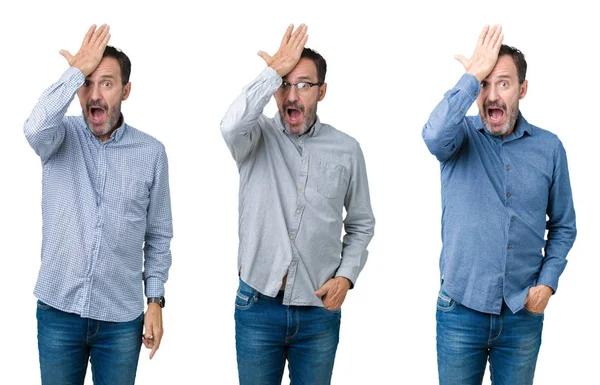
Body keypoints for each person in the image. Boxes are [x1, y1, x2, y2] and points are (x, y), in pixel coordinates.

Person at [220, 24, 375, 385]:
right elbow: (229, 125)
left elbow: (362, 222)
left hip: (318, 309)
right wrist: (272, 70)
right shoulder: (253, 136)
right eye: (284, 84)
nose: (292, 95)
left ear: (322, 91)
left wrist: (346, 277)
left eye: (303, 84)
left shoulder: (347, 149)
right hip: (258, 305)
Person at [422, 25, 576, 385]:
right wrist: (470, 76)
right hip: (460, 310)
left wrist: (548, 283)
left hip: (522, 312)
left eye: (503, 83)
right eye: (484, 85)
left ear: (522, 89)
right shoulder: (458, 137)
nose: (492, 95)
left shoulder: (549, 148)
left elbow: (564, 225)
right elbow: (431, 134)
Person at [24, 24, 173, 385]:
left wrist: (155, 300)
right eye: (86, 83)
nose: (95, 94)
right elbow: (33, 127)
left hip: (120, 319)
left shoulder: (151, 152)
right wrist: (74, 70)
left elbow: (158, 235)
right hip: (59, 311)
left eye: (105, 83)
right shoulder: (59, 136)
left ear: (126, 90)